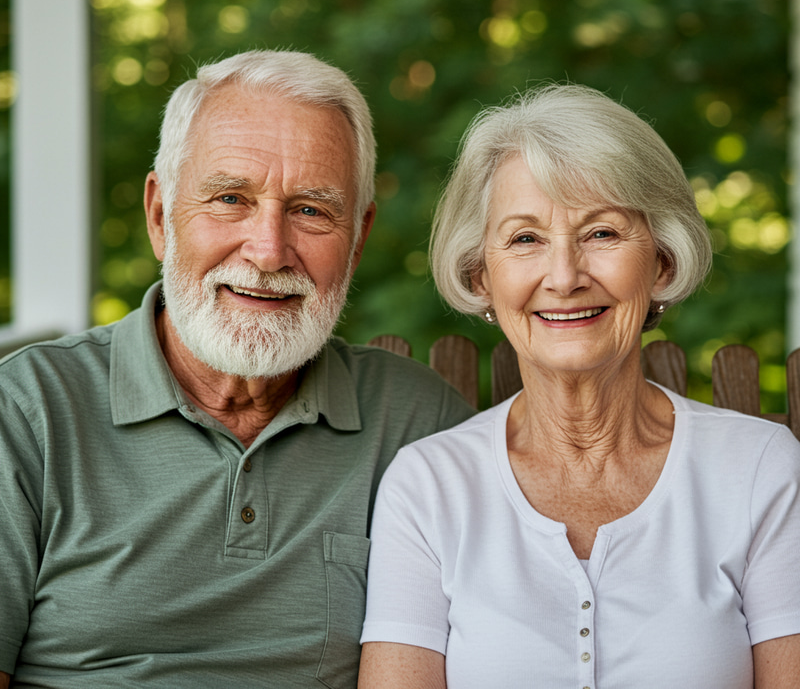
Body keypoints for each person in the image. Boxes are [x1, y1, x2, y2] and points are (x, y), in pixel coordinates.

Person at [0, 49, 476, 688]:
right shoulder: (27, 415)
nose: (269, 250)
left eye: (310, 210)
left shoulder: (418, 426)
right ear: (161, 216)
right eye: (230, 198)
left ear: (358, 238)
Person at [359, 84, 800, 688]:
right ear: (480, 275)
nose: (563, 277)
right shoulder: (430, 487)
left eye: (602, 233)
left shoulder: (758, 470)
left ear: (663, 260)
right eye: (524, 239)